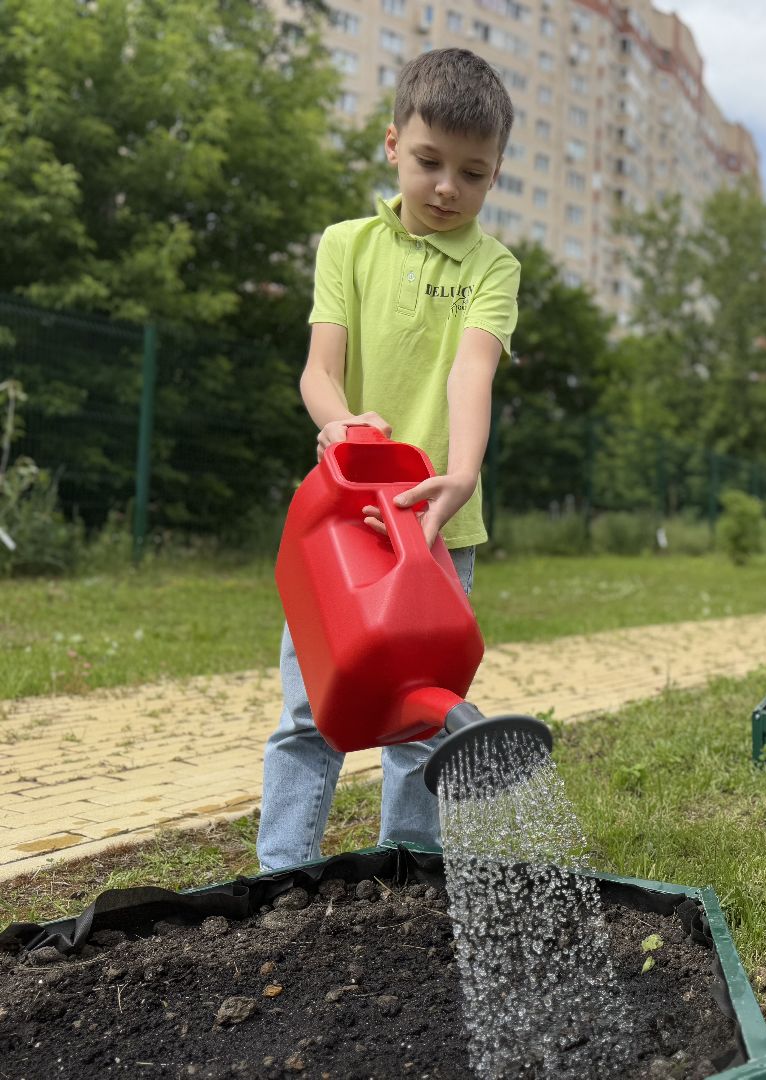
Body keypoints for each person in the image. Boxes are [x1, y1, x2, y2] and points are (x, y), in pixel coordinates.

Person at [257, 48, 521, 872]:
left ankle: (406, 866)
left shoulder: (493, 266)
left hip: (437, 520)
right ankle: (282, 874)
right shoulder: (346, 246)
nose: (447, 187)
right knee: (313, 708)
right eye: (429, 162)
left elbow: (469, 371)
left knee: (417, 714)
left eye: (472, 174)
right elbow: (319, 372)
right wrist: (341, 426)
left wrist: (462, 474)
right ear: (391, 145)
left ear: (494, 176)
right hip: (344, 521)